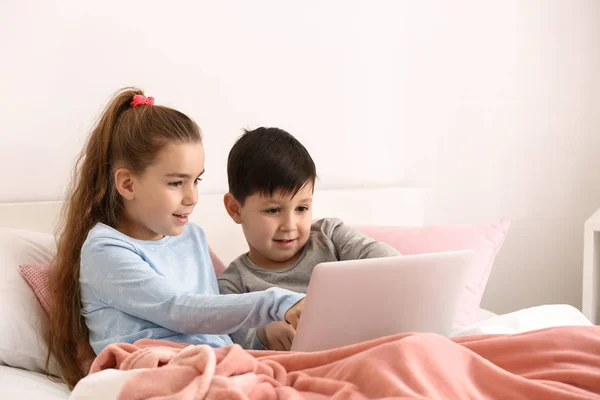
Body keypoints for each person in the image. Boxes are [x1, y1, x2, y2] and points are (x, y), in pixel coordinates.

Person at [45, 89, 304, 389]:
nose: (192, 197)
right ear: (127, 184)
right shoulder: (105, 249)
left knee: (353, 364)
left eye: (196, 180)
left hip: (217, 363)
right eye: (176, 182)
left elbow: (214, 324)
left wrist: (262, 336)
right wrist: (277, 302)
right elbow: (178, 310)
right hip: (157, 369)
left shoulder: (192, 237)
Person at [218, 127, 400, 351]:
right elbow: (237, 339)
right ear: (235, 209)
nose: (290, 225)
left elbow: (389, 261)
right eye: (273, 210)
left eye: (302, 208)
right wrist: (264, 334)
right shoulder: (232, 285)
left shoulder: (330, 235)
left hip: (369, 345)